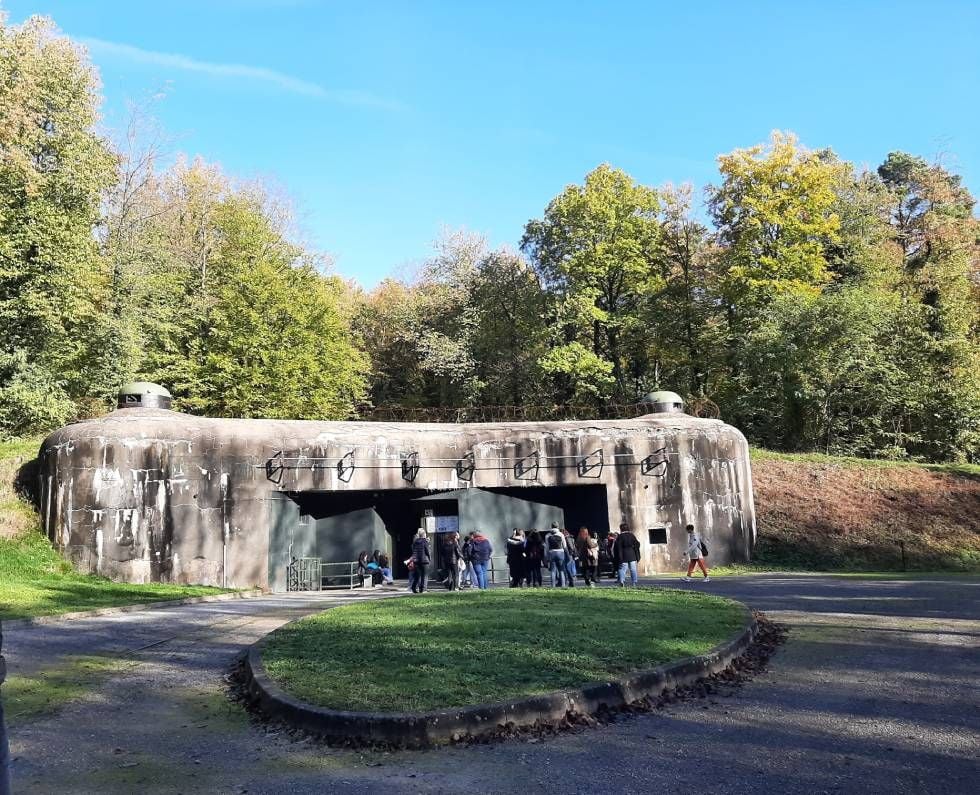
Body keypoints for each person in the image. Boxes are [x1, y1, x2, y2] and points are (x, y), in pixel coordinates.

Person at [613, 522, 641, 587]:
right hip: (632, 554)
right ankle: (634, 582)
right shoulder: (632, 535)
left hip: (623, 555)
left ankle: (622, 581)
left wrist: (618, 556)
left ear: (621, 529)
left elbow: (618, 547)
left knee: (622, 569)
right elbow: (637, 544)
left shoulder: (620, 536)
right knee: (633, 569)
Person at [411, 529, 431, 593]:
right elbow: (427, 551)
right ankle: (423, 589)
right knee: (424, 575)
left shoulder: (415, 542)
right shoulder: (425, 541)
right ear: (424, 534)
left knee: (417, 575)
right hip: (424, 560)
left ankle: (413, 587)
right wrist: (429, 558)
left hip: (416, 560)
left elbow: (413, 550)